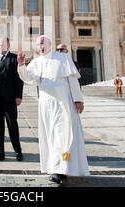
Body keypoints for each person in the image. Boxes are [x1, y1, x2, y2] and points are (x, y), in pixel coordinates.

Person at [17, 35, 90, 183]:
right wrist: (21, 65)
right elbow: (29, 79)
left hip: (63, 104)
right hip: (45, 105)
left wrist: (78, 99)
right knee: (49, 136)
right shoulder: (36, 62)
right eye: (38, 45)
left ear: (50, 45)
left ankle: (60, 169)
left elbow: (73, 80)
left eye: (43, 44)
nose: (41, 47)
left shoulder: (62, 58)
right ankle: (54, 166)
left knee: (61, 136)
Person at [0, 37, 24, 162]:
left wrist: (19, 96)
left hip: (9, 99)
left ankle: (18, 150)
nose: (0, 47)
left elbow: (19, 79)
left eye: (3, 44)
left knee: (12, 125)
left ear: (8, 45)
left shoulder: (14, 59)